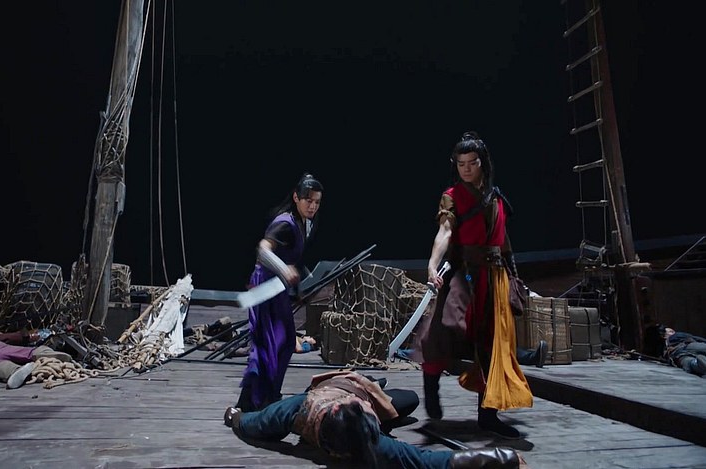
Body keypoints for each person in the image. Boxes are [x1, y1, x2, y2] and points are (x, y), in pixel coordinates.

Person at [411, 131, 533, 439]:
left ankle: (488, 415)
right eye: (460, 163)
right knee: (441, 330)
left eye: (472, 162)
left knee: (494, 345)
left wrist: (515, 276)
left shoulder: (496, 197)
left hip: (495, 279)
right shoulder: (452, 196)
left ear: (483, 163)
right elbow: (445, 231)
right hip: (464, 275)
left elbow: (504, 242)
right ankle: (431, 385)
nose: (466, 168)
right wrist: (432, 264)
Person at [224, 370, 522, 468]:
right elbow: (430, 462)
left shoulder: (298, 408)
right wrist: (502, 458)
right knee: (409, 400)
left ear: (336, 410)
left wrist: (235, 416)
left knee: (401, 398)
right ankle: (375, 386)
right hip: (366, 391)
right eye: (362, 408)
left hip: (344, 383)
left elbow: (255, 423)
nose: (359, 404)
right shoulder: (374, 443)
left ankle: (373, 382)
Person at [236, 173, 323, 411]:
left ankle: (269, 395)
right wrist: (284, 270)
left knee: (284, 343)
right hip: (265, 285)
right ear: (296, 198)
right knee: (267, 344)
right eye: (308, 201)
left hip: (277, 286)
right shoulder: (285, 222)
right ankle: (251, 401)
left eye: (316, 202)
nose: (313, 206)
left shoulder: (305, 223)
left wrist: (299, 288)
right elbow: (263, 250)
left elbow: (293, 258)